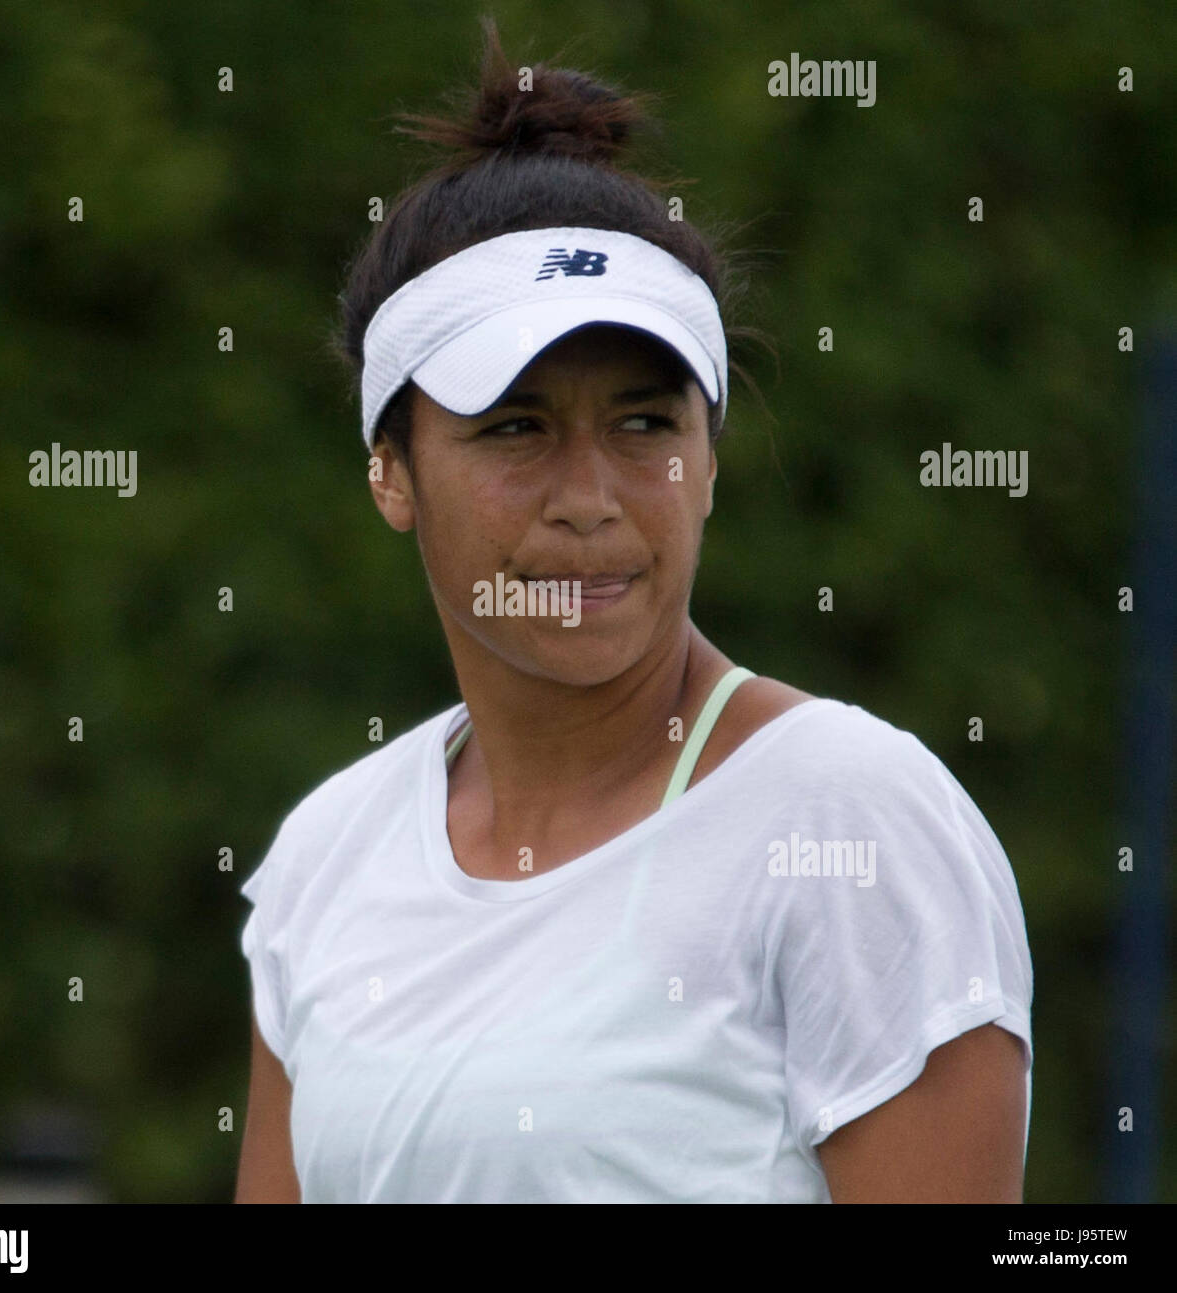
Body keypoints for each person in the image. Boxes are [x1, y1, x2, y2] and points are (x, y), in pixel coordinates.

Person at [235, 18, 1033, 1204]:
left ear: (708, 462)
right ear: (391, 472)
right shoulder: (324, 858)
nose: (591, 501)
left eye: (646, 423)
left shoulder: (856, 820)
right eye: (515, 428)